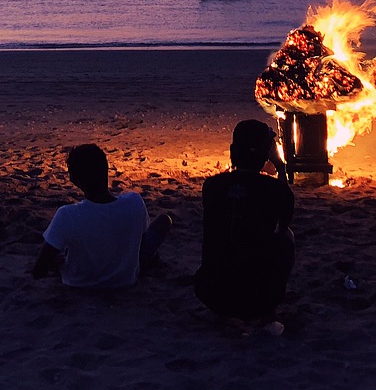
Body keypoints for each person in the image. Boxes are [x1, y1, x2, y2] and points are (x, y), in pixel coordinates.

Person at [194, 119, 295, 323]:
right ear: (266, 154)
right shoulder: (273, 189)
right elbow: (285, 219)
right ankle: (269, 310)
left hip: (209, 291)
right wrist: (280, 167)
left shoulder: (212, 186)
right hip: (258, 297)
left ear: (232, 151)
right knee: (286, 236)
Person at [33, 143, 172, 289]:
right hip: (124, 278)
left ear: (75, 180)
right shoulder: (134, 201)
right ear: (106, 170)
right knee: (164, 220)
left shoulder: (67, 215)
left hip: (81, 281)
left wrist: (58, 263)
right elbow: (141, 244)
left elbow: (39, 270)